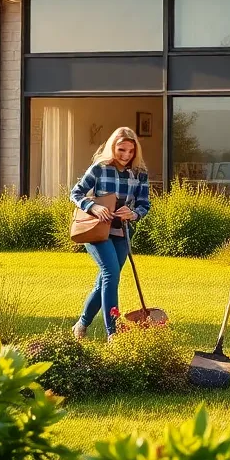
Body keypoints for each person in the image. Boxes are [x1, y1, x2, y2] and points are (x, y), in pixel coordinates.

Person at [70, 126, 152, 341]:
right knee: (110, 274)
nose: (126, 155)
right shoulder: (99, 168)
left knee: (106, 281)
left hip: (122, 231)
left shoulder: (140, 173)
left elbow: (144, 205)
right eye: (121, 150)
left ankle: (81, 324)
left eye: (130, 151)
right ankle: (113, 334)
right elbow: (75, 193)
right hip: (97, 230)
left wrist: (132, 214)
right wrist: (93, 207)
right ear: (112, 147)